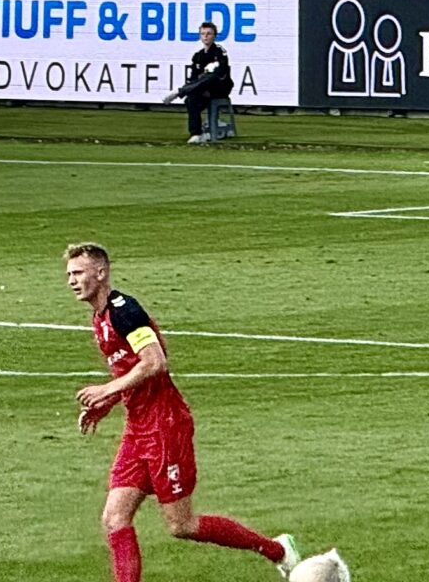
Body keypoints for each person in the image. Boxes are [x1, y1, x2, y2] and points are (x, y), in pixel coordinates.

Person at [63, 242, 302, 582]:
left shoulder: (124, 311)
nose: (72, 281)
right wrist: (108, 402)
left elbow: (156, 361)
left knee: (181, 525)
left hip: (165, 425)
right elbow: (129, 370)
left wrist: (107, 389)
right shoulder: (99, 319)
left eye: (78, 273)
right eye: (69, 274)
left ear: (100, 273)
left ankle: (278, 550)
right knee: (114, 517)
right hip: (138, 427)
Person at [165, 20, 234, 145]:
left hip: (220, 87)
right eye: (203, 34)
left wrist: (211, 71)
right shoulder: (197, 56)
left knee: (211, 76)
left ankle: (180, 91)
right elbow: (193, 79)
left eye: (209, 33)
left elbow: (222, 71)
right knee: (191, 99)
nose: (206, 36)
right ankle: (196, 133)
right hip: (203, 90)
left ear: (214, 36)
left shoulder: (219, 51)